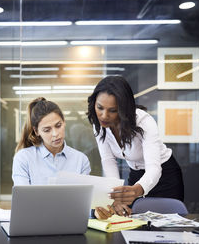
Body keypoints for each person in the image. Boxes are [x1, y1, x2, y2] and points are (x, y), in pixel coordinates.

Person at [87, 76, 184, 216]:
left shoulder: (144, 121)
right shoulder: (99, 126)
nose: (104, 115)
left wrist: (138, 189)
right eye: (100, 108)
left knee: (168, 226)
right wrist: (116, 196)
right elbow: (108, 161)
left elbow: (154, 168)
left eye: (112, 110)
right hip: (137, 175)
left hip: (165, 175)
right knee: (132, 221)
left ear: (123, 108)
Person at [12, 97, 114, 219]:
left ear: (64, 122)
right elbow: (23, 203)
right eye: (47, 130)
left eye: (58, 125)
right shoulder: (23, 158)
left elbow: (82, 205)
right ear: (36, 131)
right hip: (36, 221)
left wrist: (94, 213)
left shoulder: (81, 160)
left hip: (70, 224)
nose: (55, 134)